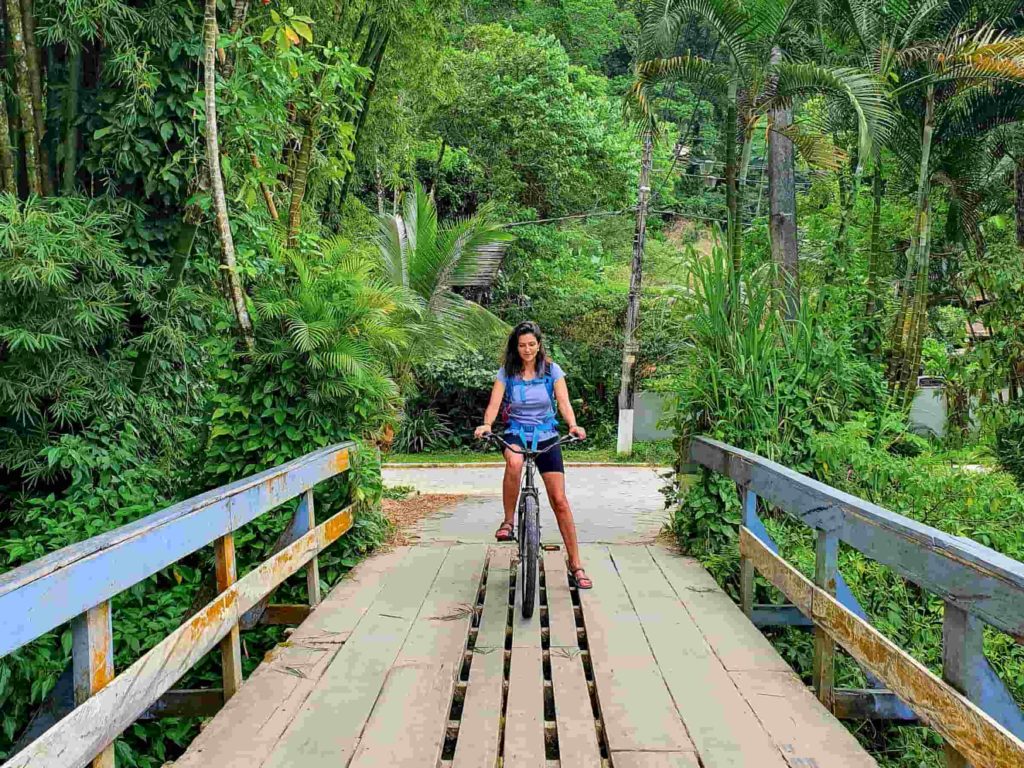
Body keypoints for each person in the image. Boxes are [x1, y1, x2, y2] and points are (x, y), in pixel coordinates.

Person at [474, 321, 592, 589]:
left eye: (531, 344)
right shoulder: (507, 372)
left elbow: (563, 402)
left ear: (539, 345)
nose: (527, 349)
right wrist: (487, 425)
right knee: (514, 461)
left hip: (547, 434)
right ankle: (508, 521)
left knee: (559, 500)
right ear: (516, 347)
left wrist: (573, 425)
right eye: (522, 345)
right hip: (516, 430)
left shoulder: (552, 370)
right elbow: (494, 404)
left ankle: (576, 564)